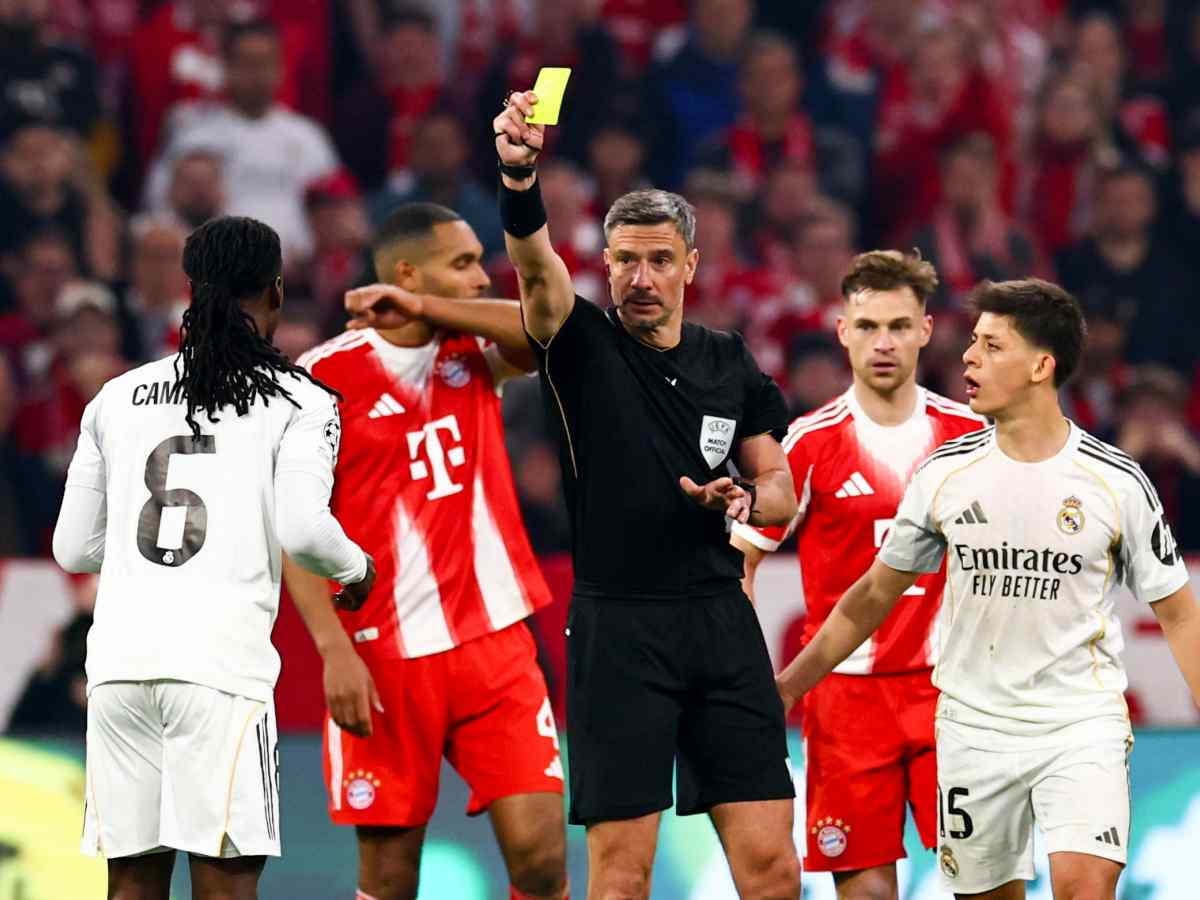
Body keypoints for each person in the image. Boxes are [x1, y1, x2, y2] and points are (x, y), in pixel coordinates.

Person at [775, 278, 1200, 900]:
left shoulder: (1116, 482)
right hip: (973, 729)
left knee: (1086, 888)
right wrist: (789, 684)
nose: (968, 357)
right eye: (972, 343)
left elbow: (1179, 615)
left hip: (1080, 725)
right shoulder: (944, 476)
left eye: (990, 345)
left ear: (1040, 365)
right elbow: (871, 596)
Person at [494, 90, 802, 899]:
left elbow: (780, 488)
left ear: (690, 265)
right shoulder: (577, 341)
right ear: (604, 264)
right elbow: (533, 261)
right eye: (623, 259)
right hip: (616, 627)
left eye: (659, 260)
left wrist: (747, 500)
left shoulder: (727, 359)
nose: (639, 278)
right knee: (621, 876)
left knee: (773, 870)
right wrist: (519, 175)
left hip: (719, 623)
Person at [52, 216, 375, 900]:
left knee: (130, 885)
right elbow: (305, 531)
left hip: (119, 669)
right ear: (278, 293)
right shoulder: (299, 400)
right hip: (220, 673)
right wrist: (357, 569)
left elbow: (72, 548)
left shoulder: (116, 396)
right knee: (225, 887)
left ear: (190, 291)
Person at [286, 202, 567, 900]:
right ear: (409, 270)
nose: (481, 279)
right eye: (463, 264)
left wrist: (424, 306)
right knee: (389, 875)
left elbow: (550, 330)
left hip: (495, 644)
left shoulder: (469, 346)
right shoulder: (322, 379)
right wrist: (333, 651)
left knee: (540, 856)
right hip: (382, 657)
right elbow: (292, 529)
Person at [733, 250, 985, 900]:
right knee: (867, 892)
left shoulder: (970, 438)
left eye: (899, 326)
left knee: (986, 883)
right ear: (842, 328)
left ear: (926, 331)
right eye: (868, 325)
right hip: (846, 703)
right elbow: (742, 560)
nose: (884, 342)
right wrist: (738, 672)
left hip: (952, 694)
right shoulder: (808, 445)